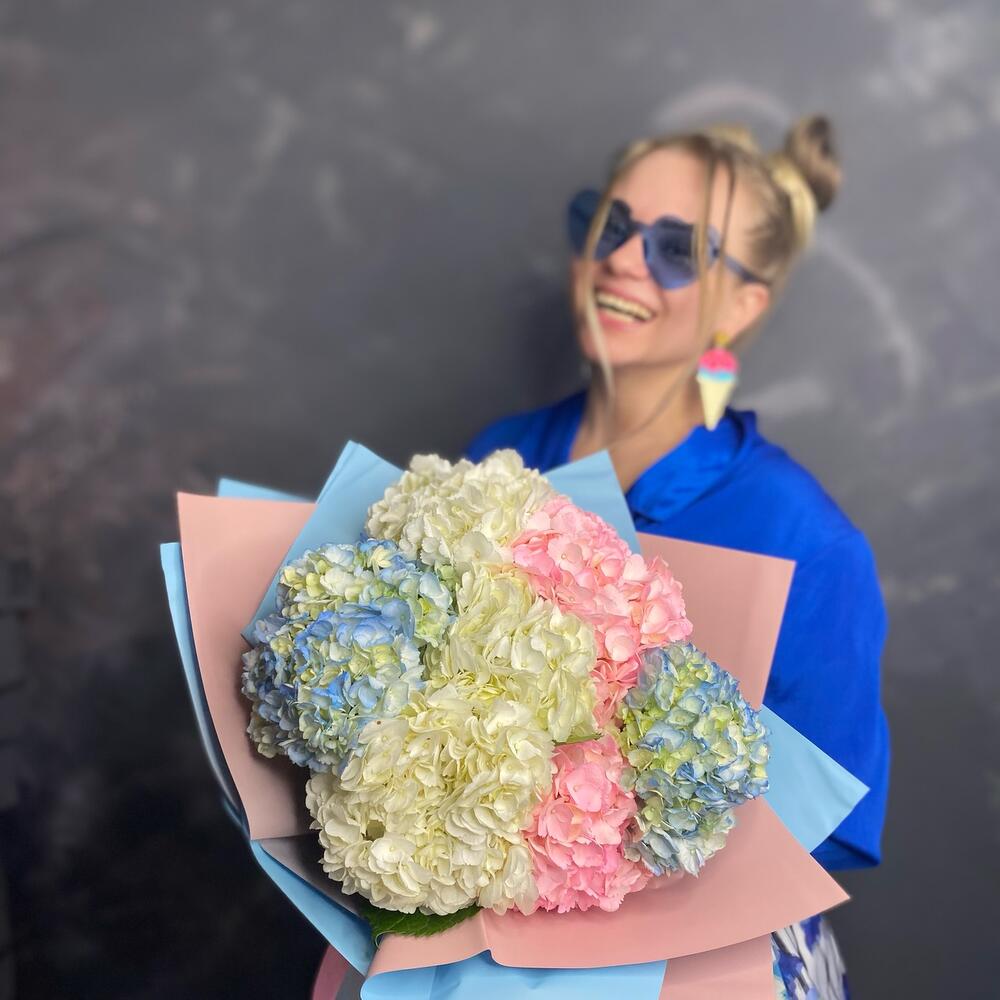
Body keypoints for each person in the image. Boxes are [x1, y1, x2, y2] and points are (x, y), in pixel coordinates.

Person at [461, 115, 890, 999]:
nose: (624, 259)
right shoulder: (496, 459)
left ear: (741, 306)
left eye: (677, 250)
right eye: (612, 226)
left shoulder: (805, 542)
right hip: (469, 939)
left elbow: (825, 832)